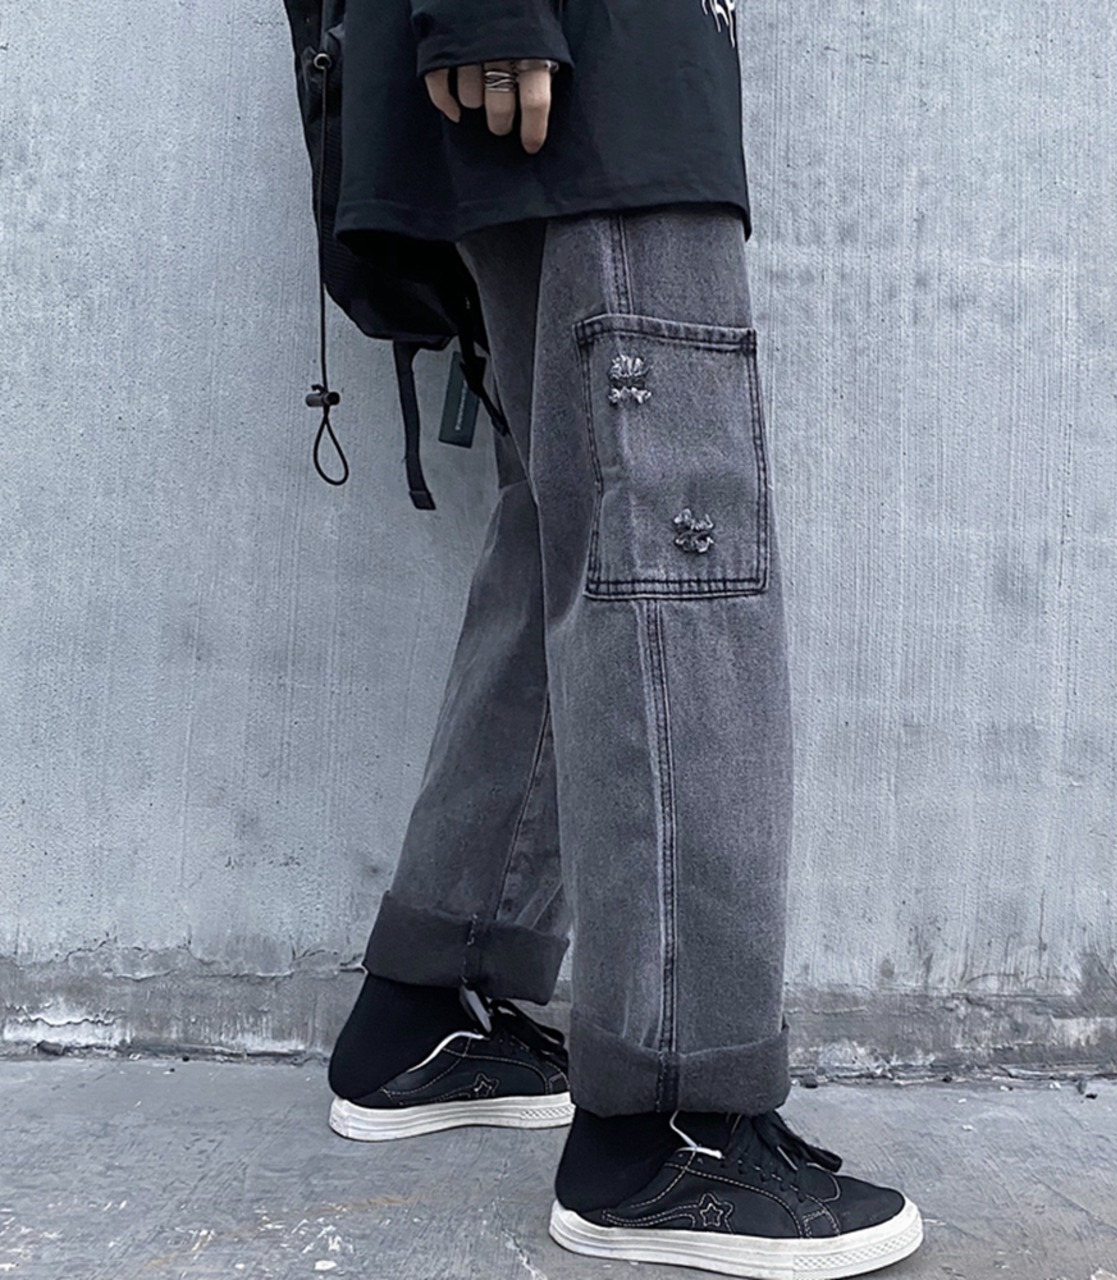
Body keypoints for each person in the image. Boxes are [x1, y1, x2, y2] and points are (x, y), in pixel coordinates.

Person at [325, 2, 923, 1274]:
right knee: (671, 556)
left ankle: (426, 1003)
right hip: (594, 70)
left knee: (578, 530)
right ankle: (669, 1125)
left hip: (552, 77)